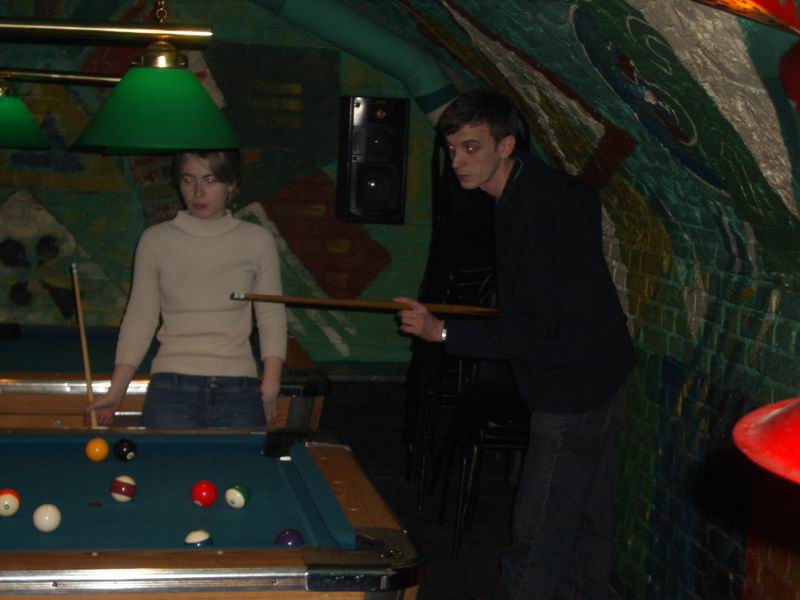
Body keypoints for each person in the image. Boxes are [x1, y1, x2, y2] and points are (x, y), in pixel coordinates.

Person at [396, 89, 635, 600]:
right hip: (603, 367)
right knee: (587, 526)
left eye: (472, 148)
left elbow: (532, 332)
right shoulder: (539, 185)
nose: (458, 161)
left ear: (505, 146)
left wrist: (441, 331)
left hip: (570, 386)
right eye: (453, 149)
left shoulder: (527, 213)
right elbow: (584, 198)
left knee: (537, 537)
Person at [85, 150, 287, 428]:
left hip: (239, 390)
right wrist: (116, 392)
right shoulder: (155, 240)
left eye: (210, 180)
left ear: (231, 183)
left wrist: (271, 386)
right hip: (171, 389)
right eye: (188, 180)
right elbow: (139, 320)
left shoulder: (257, 240)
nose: (198, 192)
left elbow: (271, 316)